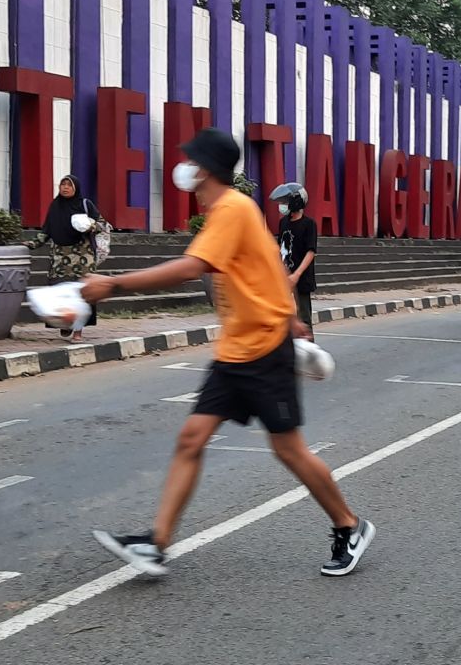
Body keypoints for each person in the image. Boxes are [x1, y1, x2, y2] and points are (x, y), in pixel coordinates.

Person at [82, 128, 375, 576]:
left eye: (190, 163)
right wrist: (291, 312)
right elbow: (269, 262)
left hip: (264, 351)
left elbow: (191, 267)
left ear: (204, 169)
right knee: (191, 438)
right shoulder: (237, 211)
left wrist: (114, 284)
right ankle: (156, 544)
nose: (184, 171)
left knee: (289, 451)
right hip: (235, 351)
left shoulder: (233, 209)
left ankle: (349, 525)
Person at [27, 175, 101, 343]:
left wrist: (91, 226)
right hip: (60, 257)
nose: (65, 187)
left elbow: (102, 224)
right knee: (60, 291)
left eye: (69, 185)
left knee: (82, 292)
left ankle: (78, 331)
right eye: (63, 184)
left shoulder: (85, 205)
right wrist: (32, 244)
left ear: (76, 188)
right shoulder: (55, 206)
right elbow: (46, 231)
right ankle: (65, 322)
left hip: (82, 256)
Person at [271, 182, 318, 341]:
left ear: (295, 202)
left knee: (303, 318)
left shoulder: (309, 224)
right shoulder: (283, 223)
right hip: (285, 277)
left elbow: (311, 252)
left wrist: (296, 275)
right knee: (283, 317)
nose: (282, 205)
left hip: (302, 278)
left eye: (285, 202)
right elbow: (281, 249)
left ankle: (309, 352)